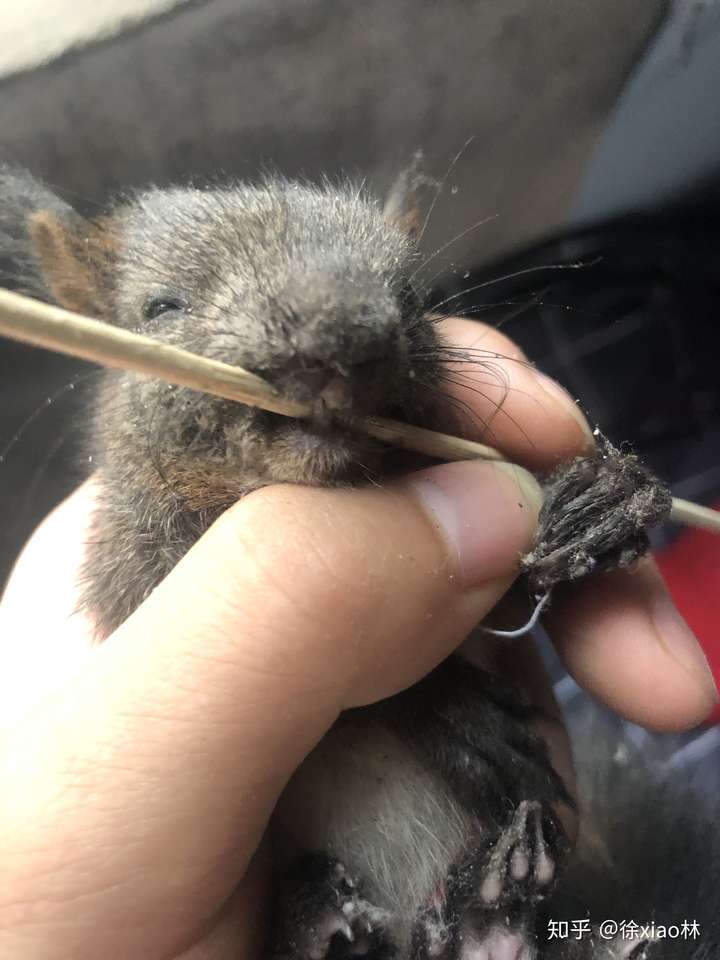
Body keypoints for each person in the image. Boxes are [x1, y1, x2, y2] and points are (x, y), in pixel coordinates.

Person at [0, 319, 715, 960]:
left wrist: (581, 515)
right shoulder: (139, 545)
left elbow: (491, 592)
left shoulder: (417, 453)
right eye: (168, 312)